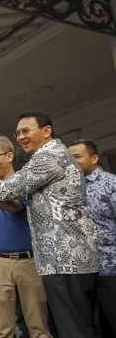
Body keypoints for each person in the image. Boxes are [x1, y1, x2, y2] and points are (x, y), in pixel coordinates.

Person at [0, 111, 99, 338]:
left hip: (65, 256)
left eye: (26, 131)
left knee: (71, 327)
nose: (20, 137)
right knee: (73, 324)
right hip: (59, 258)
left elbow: (10, 191)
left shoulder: (49, 157)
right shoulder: (48, 157)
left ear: (46, 131)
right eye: (17, 133)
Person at [0, 136, 51, 337]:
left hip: (28, 261)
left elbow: (15, 206)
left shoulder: (24, 182)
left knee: (38, 325)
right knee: (0, 328)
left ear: (10, 155)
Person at [69, 139, 116, 337]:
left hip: (110, 268)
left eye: (77, 157)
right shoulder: (69, 189)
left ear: (95, 158)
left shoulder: (110, 183)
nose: (72, 162)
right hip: (82, 272)